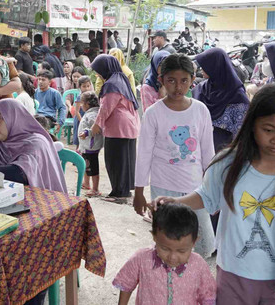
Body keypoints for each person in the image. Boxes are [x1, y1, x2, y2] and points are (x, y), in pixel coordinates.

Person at [156, 82, 275, 305]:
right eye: (268, 130)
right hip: (234, 276)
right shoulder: (227, 164)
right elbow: (207, 195)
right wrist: (177, 201)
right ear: (252, 124)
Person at [133, 54, 215, 257]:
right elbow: (143, 154)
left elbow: (207, 152)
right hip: (163, 186)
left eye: (184, 81)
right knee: (168, 241)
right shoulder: (153, 113)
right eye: (171, 80)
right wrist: (139, 192)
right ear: (161, 80)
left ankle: (194, 280)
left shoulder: (200, 110)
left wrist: (213, 186)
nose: (178, 87)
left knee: (203, 243)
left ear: (192, 79)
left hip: (196, 187)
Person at [113, 203, 216, 305]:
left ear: (194, 242)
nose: (172, 257)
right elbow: (126, 283)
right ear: (154, 236)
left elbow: (208, 296)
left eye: (181, 251)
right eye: (165, 248)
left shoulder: (199, 265)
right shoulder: (141, 259)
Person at [90, 54, 140, 203]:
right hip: (129, 126)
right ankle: (123, 191)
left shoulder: (112, 84)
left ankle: (119, 193)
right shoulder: (121, 79)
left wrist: (96, 125)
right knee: (125, 160)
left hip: (119, 127)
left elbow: (106, 108)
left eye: (98, 70)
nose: (96, 74)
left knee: (115, 161)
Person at [193, 48, 250, 153]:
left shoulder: (237, 96)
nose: (201, 68)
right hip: (196, 149)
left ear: (215, 66)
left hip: (223, 154)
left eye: (206, 65)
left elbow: (241, 132)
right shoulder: (201, 88)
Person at [77, 91, 103, 198]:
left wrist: (87, 132)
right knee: (86, 165)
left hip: (91, 146)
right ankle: (86, 183)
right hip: (87, 146)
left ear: (87, 104)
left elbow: (97, 128)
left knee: (92, 168)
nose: (81, 106)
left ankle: (95, 189)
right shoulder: (91, 113)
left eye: (82, 103)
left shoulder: (92, 114)